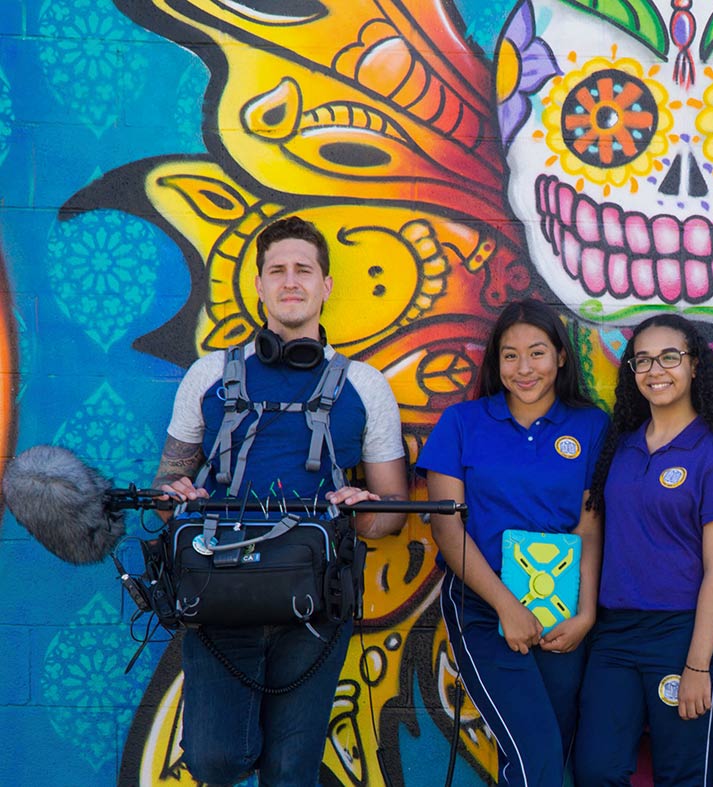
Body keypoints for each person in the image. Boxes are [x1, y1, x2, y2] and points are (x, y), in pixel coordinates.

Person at [153, 215, 409, 786]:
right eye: (277, 270)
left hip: (317, 603)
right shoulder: (208, 374)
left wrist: (366, 505)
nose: (290, 281)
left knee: (292, 771)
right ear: (260, 285)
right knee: (214, 760)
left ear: (325, 286)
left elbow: (390, 516)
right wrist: (176, 495)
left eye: (303, 270)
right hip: (221, 595)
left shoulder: (366, 386)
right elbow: (167, 489)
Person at [416, 300, 609, 786]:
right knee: (536, 757)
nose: (524, 369)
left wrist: (584, 614)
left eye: (538, 353)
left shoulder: (590, 426)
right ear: (495, 361)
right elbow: (447, 527)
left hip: (561, 610)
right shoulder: (462, 423)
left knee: (545, 755)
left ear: (562, 357)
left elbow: (589, 528)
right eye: (510, 355)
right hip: (483, 606)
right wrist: (506, 606)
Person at [573, 314, 713, 787]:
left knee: (681, 777)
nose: (656, 369)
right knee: (595, 770)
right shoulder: (621, 447)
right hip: (616, 636)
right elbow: (591, 533)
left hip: (684, 633)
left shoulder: (711, 454)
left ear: (695, 366)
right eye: (643, 360)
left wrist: (697, 664)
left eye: (670, 357)